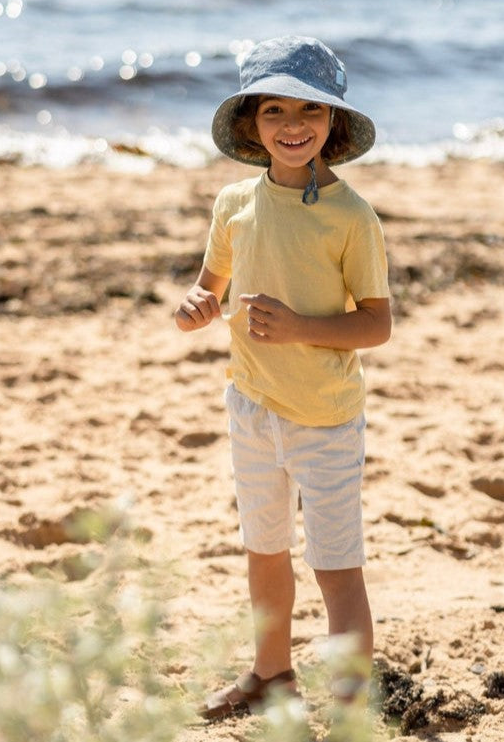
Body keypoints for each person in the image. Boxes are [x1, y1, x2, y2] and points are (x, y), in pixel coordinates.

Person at [174, 35, 391, 721]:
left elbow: (376, 324)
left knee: (334, 566)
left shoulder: (350, 217)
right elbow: (209, 289)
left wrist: (299, 327)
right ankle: (271, 673)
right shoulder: (234, 203)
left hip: (325, 414)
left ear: (333, 123)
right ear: (249, 123)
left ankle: (351, 708)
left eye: (309, 111)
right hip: (251, 405)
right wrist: (197, 308)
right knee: (264, 551)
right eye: (274, 110)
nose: (292, 126)